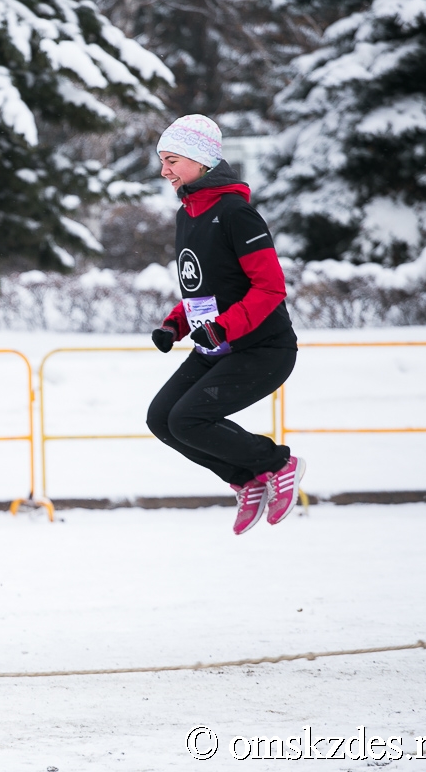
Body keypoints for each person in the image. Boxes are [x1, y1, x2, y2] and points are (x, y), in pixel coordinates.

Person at [145, 114, 305, 535]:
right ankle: (247, 480)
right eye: (162, 160)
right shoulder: (188, 215)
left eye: (172, 160)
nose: (164, 170)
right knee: (162, 419)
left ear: (200, 160)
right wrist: (175, 325)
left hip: (262, 348)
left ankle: (277, 463)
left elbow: (269, 288)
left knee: (188, 419)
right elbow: (206, 289)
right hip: (216, 346)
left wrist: (224, 327)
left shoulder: (237, 213)